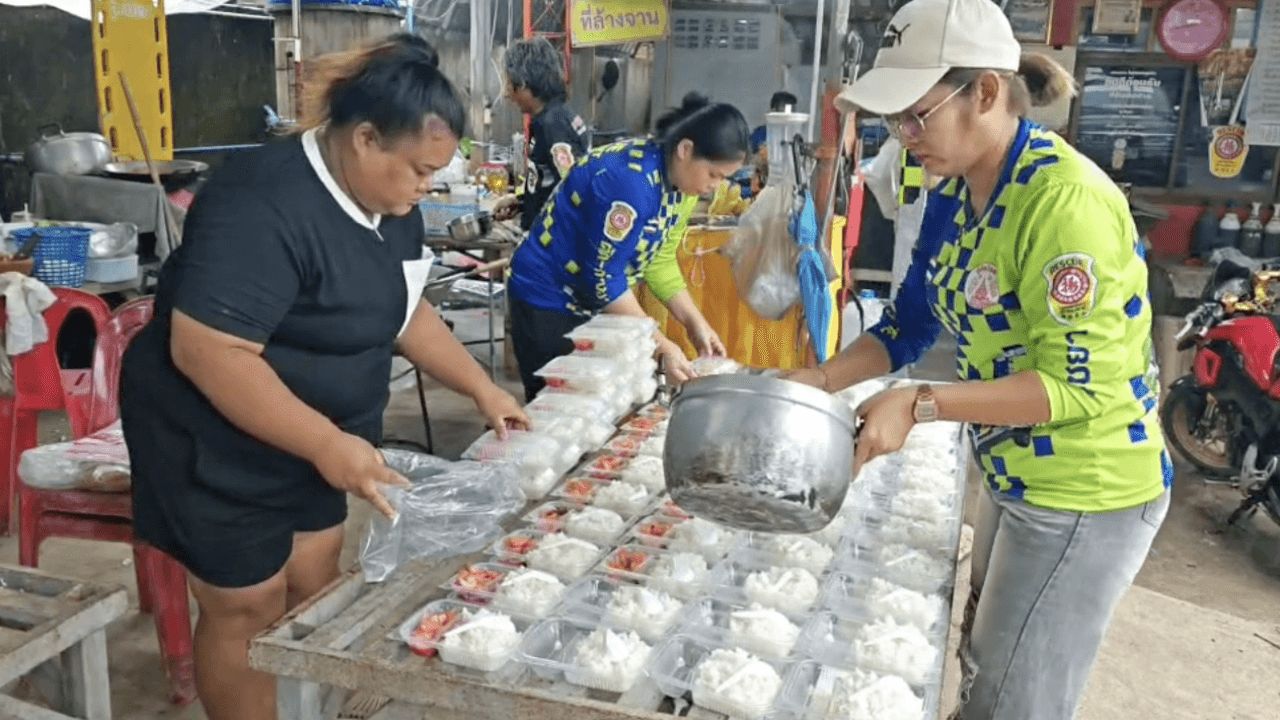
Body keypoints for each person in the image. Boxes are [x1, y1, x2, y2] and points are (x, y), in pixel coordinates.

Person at [120, 35, 527, 720]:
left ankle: (313, 703)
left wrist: (483, 388)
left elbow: (405, 311)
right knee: (245, 602)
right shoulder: (262, 203)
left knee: (314, 580)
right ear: (366, 139)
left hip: (318, 433)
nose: (427, 188)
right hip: (213, 433)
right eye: (420, 171)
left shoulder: (390, 204)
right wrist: (323, 443)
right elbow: (211, 352)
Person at [786, 0, 1172, 717]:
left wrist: (922, 403)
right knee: (983, 658)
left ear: (986, 94)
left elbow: (1073, 386)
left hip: (1084, 488)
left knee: (1015, 698)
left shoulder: (1064, 204)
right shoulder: (954, 195)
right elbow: (906, 324)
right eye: (894, 120)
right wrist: (814, 383)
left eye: (915, 116)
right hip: (1012, 468)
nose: (903, 136)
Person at [506, 93, 749, 400]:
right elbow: (603, 280)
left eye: (724, 178)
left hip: (591, 303)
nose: (715, 186)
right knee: (558, 407)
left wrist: (694, 321)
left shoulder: (683, 189)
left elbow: (658, 260)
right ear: (685, 150)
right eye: (714, 174)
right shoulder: (631, 184)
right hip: (546, 299)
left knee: (598, 403)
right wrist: (661, 345)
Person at [497, 37, 589, 230]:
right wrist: (522, 203)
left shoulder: (554, 125)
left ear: (522, 83)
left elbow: (576, 191)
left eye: (508, 83)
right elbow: (550, 183)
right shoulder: (551, 118)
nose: (507, 94)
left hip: (551, 246)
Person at [749, 90, 799, 155]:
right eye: (783, 111)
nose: (788, 116)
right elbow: (747, 155)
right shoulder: (761, 134)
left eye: (792, 111)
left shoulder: (796, 135)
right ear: (773, 111)